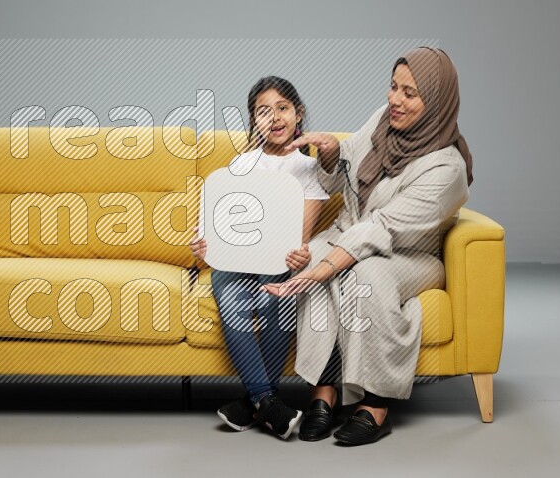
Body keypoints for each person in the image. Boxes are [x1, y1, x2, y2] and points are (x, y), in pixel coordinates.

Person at [264, 47, 473, 445]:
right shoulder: (382, 121)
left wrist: (325, 269)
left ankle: (375, 405)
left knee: (365, 275)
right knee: (310, 256)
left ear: (437, 101)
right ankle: (324, 393)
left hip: (409, 254)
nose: (395, 99)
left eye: (410, 93)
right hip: (354, 232)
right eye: (394, 87)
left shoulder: (447, 168)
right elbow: (347, 160)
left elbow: (384, 226)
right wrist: (330, 153)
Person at [190, 76, 329, 440]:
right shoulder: (242, 163)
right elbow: (223, 222)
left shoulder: (307, 168)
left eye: (283, 108)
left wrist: (299, 255)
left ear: (298, 114)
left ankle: (254, 403)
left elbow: (301, 236)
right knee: (224, 283)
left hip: (279, 262)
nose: (275, 118)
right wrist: (205, 246)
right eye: (263, 112)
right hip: (238, 262)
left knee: (277, 293)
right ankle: (268, 401)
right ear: (254, 121)